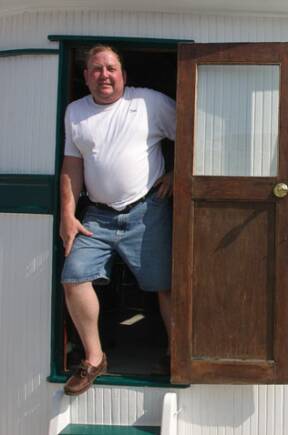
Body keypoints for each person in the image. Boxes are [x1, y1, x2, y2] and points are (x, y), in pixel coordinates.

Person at [59, 45, 176, 395]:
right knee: (74, 277)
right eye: (96, 69)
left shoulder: (149, 103)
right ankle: (94, 359)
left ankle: (175, 354)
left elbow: (194, 129)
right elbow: (72, 166)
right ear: (86, 76)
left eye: (110, 68)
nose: (104, 75)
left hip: (147, 210)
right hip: (97, 216)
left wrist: (175, 170)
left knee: (165, 285)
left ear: (123, 74)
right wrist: (67, 214)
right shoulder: (75, 112)